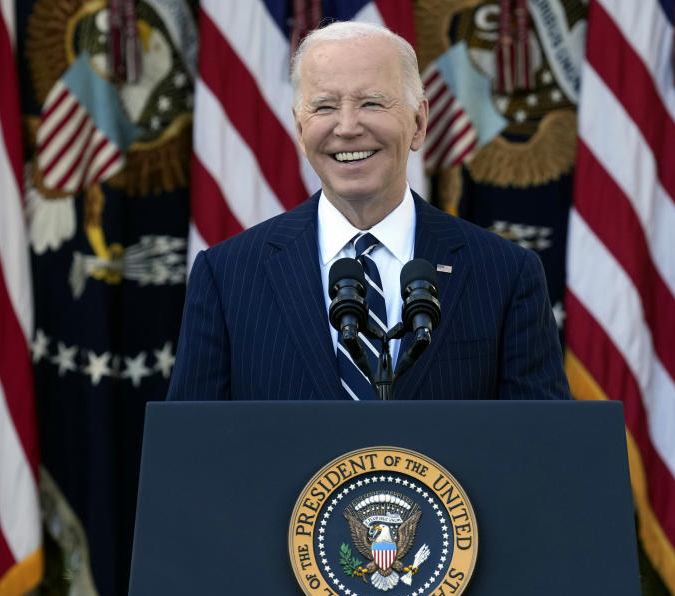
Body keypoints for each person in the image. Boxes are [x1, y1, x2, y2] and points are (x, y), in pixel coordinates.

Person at [167, 21, 570, 401]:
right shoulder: (227, 275)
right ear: (299, 129)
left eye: (372, 103)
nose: (347, 126)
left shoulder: (505, 274)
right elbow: (193, 452)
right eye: (324, 107)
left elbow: (540, 450)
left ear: (418, 122)